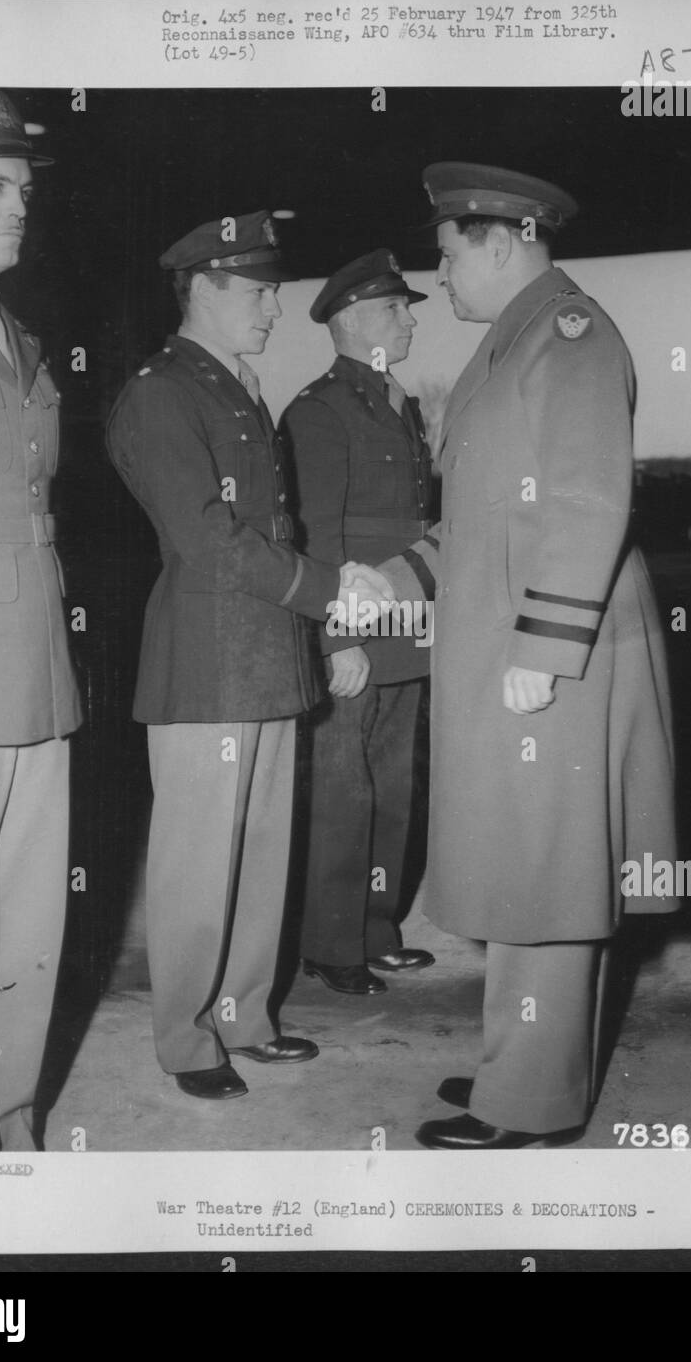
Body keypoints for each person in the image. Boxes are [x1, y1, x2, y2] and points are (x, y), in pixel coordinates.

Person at [378, 163, 678, 1148]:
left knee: (546, 870)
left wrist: (544, 648)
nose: (441, 272)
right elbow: (484, 515)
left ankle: (531, 1103)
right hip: (517, 638)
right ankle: (522, 1063)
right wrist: (400, 576)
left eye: (447, 251)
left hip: (555, 647)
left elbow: (589, 499)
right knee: (524, 858)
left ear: (500, 241)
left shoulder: (569, 337)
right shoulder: (514, 343)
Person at [106, 214, 392, 1101]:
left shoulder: (235, 384)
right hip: (206, 660)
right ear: (206, 290)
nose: (277, 305)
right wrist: (326, 589)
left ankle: (245, 1013)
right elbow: (206, 540)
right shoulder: (161, 392)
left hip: (265, 650)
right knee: (200, 859)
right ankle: (187, 1039)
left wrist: (315, 605)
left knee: (264, 847)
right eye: (261, 290)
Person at [0, 89, 82, 1150]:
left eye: (25, 189)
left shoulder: (24, 338)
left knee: (31, 919)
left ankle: (16, 1115)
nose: (19, 206)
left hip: (39, 663)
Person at [282, 250, 436, 996]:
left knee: (394, 787)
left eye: (406, 308)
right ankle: (331, 943)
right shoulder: (319, 410)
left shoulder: (395, 400)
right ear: (351, 322)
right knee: (344, 789)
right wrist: (338, 637)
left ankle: (376, 929)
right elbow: (316, 533)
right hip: (356, 628)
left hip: (406, 625)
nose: (408, 320)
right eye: (394, 309)